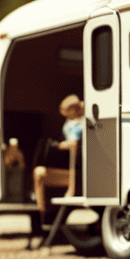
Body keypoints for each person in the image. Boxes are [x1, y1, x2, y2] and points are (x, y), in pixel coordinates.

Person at [33, 94, 84, 224]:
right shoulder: (68, 124)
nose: (64, 113)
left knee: (74, 153)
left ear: (74, 109)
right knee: (39, 172)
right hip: (65, 166)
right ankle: (41, 212)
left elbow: (74, 144)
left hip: (79, 170)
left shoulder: (82, 123)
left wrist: (58, 146)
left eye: (66, 110)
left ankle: (71, 189)